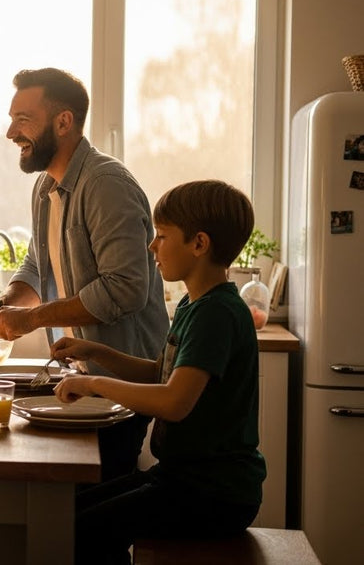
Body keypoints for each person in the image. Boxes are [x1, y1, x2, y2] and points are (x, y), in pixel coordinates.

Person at [0, 67, 169, 482]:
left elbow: (125, 289)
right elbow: (38, 266)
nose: (10, 133)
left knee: (94, 512)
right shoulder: (45, 187)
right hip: (82, 379)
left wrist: (33, 319)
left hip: (121, 384)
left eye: (23, 120)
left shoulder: (106, 184)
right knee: (70, 501)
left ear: (63, 121)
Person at [52, 180, 266, 564]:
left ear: (199, 244)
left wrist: (93, 382)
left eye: (162, 236)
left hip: (213, 493)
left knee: (76, 532)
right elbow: (161, 373)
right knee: (66, 517)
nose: (152, 246)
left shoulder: (215, 314)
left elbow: (174, 402)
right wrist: (95, 350)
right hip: (183, 479)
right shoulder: (194, 304)